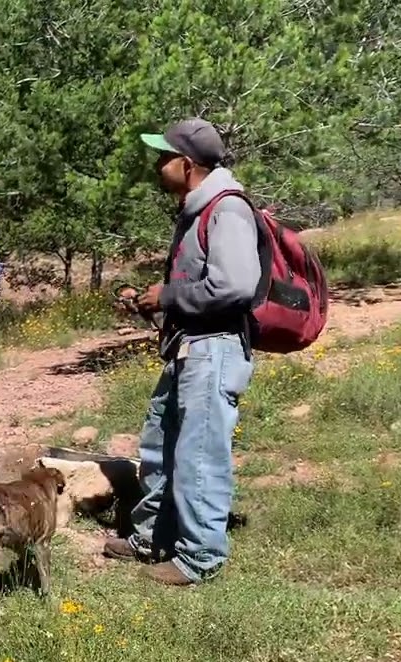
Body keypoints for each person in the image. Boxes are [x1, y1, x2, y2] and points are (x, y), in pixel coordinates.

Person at [102, 118, 259, 586]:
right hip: (189, 348)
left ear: (187, 164)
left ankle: (199, 556)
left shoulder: (226, 209)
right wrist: (156, 303)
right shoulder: (196, 209)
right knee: (160, 444)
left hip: (214, 350)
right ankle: (154, 536)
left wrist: (168, 296)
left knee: (199, 452)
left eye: (164, 156)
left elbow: (235, 286)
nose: (157, 164)